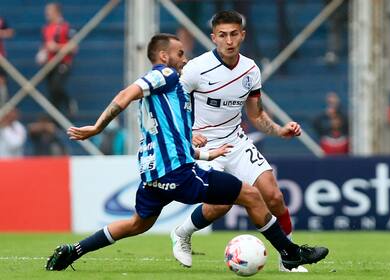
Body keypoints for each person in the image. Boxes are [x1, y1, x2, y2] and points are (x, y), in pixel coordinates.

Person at [45, 33, 328, 272]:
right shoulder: (164, 75)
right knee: (252, 195)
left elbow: (172, 139)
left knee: (136, 224)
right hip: (178, 173)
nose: (185, 58)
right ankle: (290, 254)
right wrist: (97, 126)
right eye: (180, 53)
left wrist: (207, 155)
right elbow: (126, 94)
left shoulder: (167, 98)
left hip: (154, 176)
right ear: (164, 56)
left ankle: (76, 249)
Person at [170, 10, 308, 272]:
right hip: (205, 147)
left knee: (274, 196)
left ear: (242, 35)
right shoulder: (195, 69)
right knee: (220, 205)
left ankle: (288, 258)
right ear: (213, 38)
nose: (229, 40)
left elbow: (255, 114)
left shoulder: (251, 70)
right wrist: (187, 134)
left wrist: (279, 130)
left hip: (235, 141)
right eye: (222, 35)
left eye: (234, 34)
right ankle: (181, 233)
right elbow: (172, 107)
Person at [38, 2, 77, 116]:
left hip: (62, 62)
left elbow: (73, 47)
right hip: (49, 64)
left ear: (57, 12)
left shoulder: (65, 27)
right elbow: (44, 45)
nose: (46, 14)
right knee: (51, 93)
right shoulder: (46, 28)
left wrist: (57, 47)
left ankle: (69, 102)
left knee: (57, 87)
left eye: (49, 11)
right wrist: (42, 53)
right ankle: (55, 119)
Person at [0, 16, 14, 106]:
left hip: (1, 57)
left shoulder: (1, 20)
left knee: (2, 80)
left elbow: (10, 32)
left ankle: (3, 107)